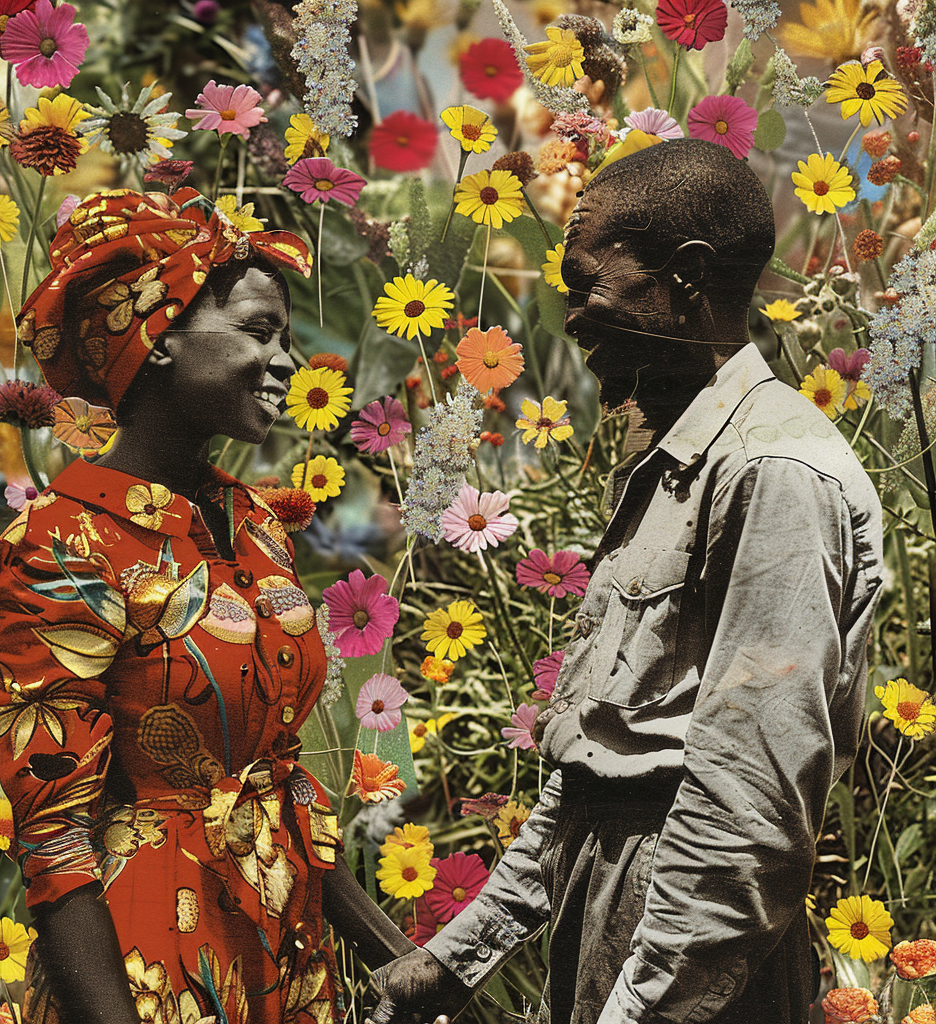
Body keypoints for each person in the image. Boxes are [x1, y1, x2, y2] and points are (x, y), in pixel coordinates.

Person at [367, 139, 884, 1024]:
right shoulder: (670, 459)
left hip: (691, 956)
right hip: (625, 921)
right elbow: (594, 770)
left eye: (588, 282)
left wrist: (638, 1008)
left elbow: (744, 816)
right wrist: (457, 958)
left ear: (685, 276)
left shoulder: (774, 471)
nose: (572, 316)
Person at [0, 189, 413, 1024]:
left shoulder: (252, 523)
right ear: (160, 338)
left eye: (285, 337)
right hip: (149, 967)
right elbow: (55, 839)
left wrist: (401, 959)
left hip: (283, 951)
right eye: (258, 332)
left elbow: (280, 789)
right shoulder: (63, 545)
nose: (287, 361)